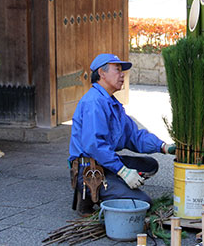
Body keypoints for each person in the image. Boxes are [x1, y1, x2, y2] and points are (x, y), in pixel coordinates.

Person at [68, 53, 175, 215]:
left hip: (103, 163)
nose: (122, 74)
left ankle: (112, 186)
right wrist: (122, 171)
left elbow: (134, 136)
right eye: (117, 70)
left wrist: (163, 147)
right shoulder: (94, 102)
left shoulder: (112, 103)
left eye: (122, 70)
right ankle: (89, 191)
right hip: (89, 169)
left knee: (150, 165)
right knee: (143, 203)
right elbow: (94, 146)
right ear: (102, 74)